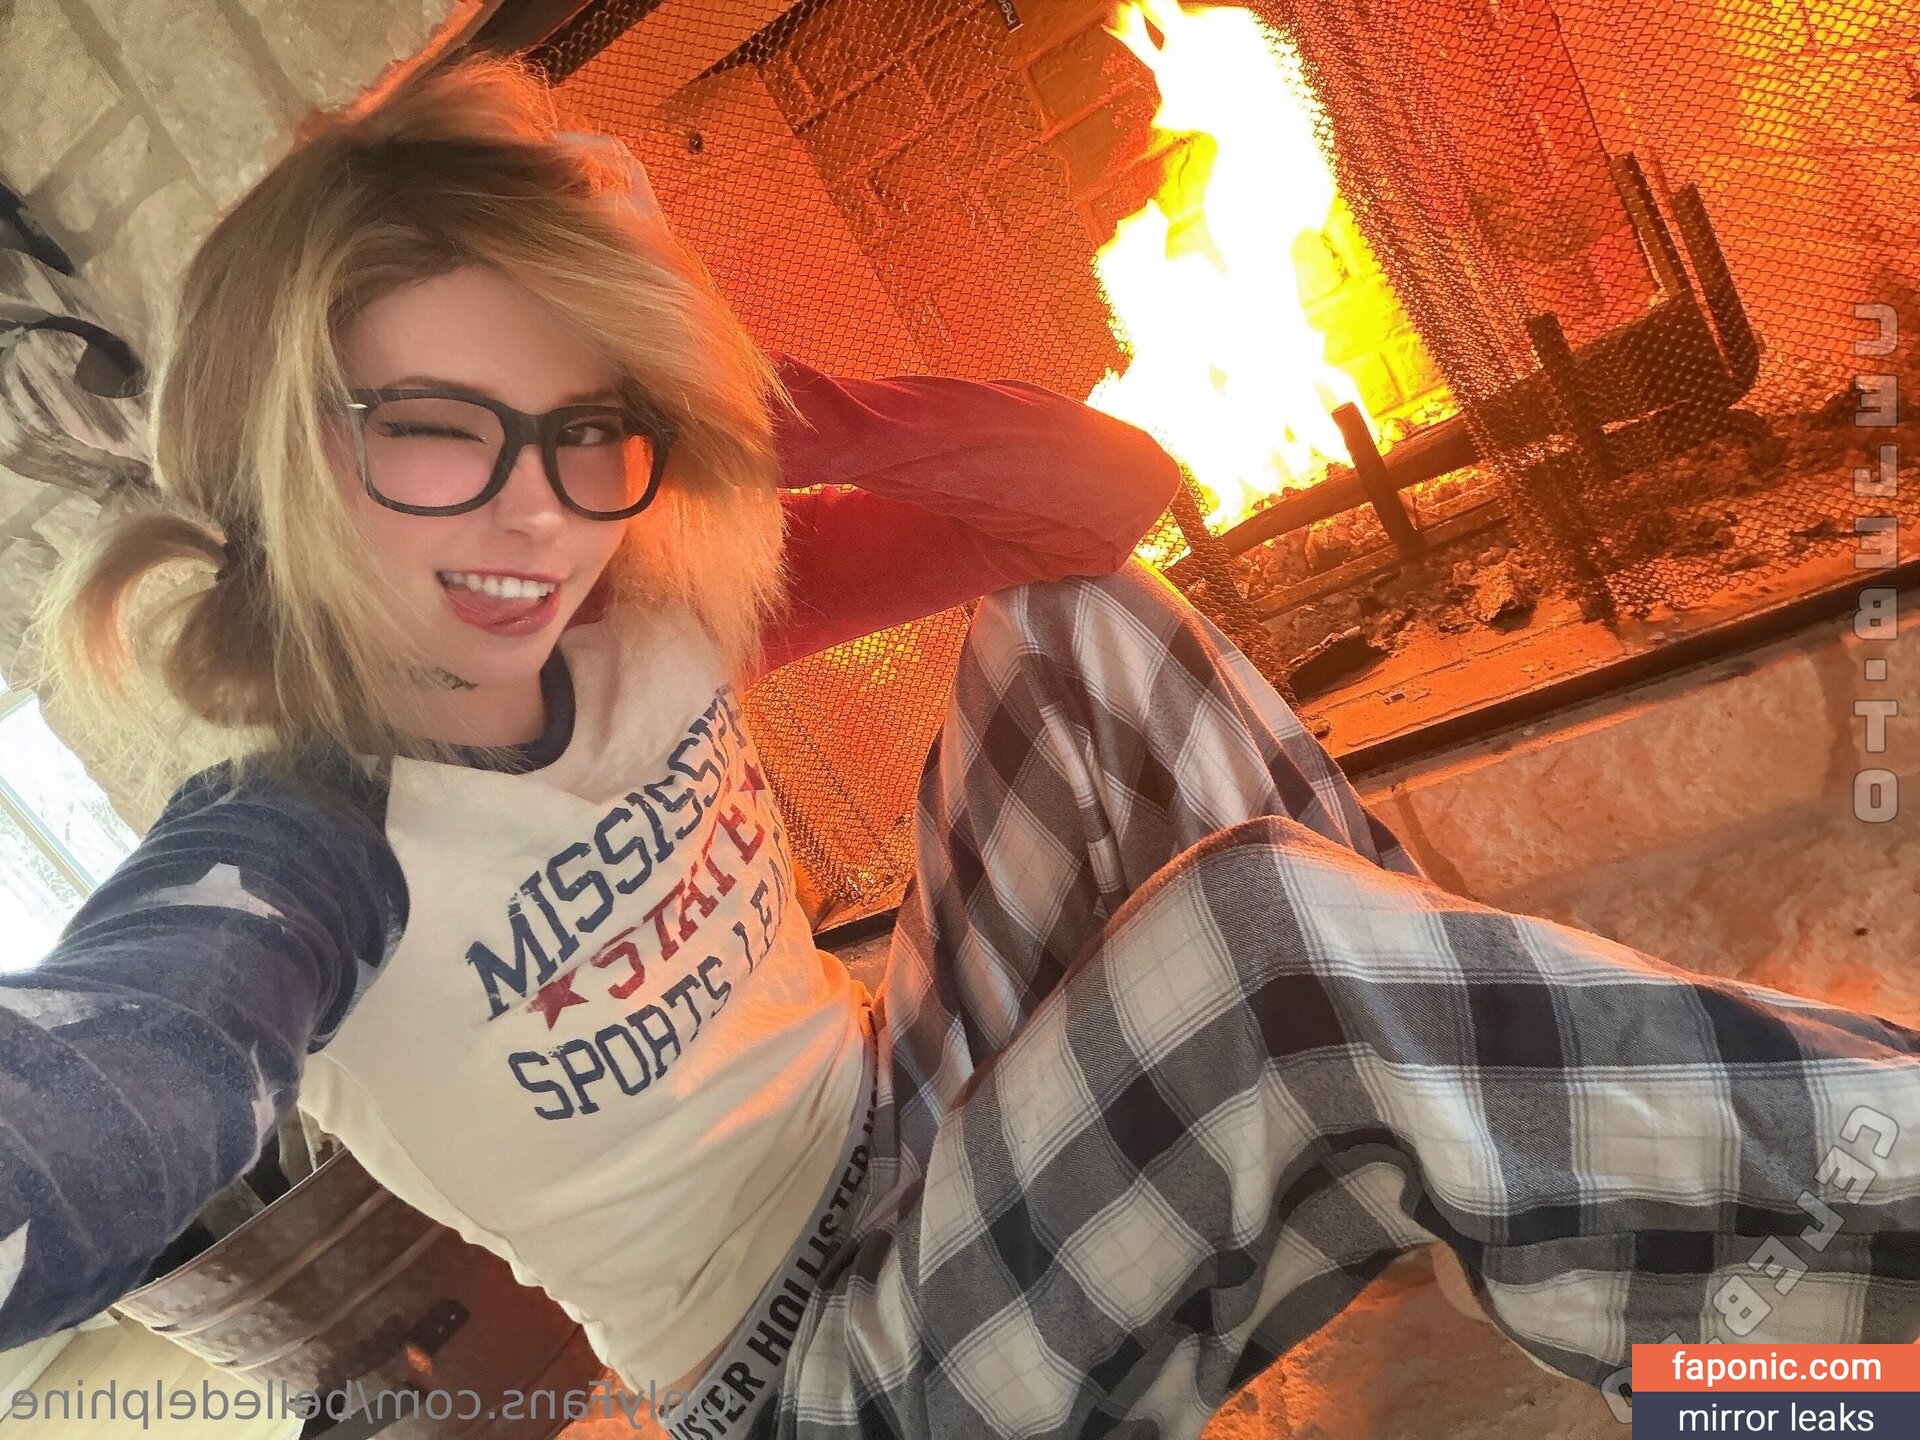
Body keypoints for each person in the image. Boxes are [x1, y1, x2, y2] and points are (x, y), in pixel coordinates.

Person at [2, 56, 1915, 1440]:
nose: (530, 520)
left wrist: (719, 401)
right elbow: (114, 1071)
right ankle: (1834, 1342)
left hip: (910, 1119)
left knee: (1082, 635)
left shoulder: (637, 598)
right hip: (817, 1375)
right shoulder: (291, 854)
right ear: (282, 452)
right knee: (1267, 957)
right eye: (433, 427)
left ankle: (1483, 1153)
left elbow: (1097, 499)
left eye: (582, 427)